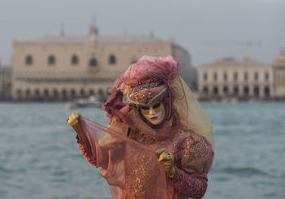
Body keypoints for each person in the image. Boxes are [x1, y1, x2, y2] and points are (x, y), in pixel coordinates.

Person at [67, 55, 214, 199]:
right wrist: (81, 131)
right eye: (145, 108)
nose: (152, 113)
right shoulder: (129, 134)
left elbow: (199, 189)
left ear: (166, 102)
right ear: (138, 110)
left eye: (157, 106)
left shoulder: (187, 141)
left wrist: (173, 172)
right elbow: (100, 159)